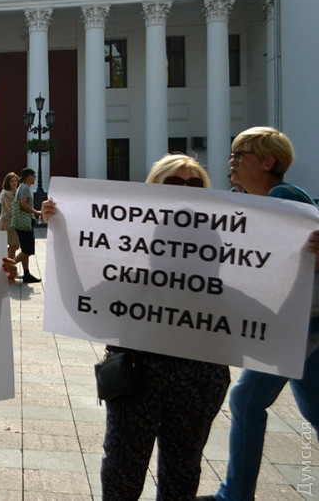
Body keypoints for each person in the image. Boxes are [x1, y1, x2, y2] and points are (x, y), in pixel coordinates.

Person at [43, 153, 231, 500]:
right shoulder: (129, 237)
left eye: (194, 185)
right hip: (137, 371)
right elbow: (85, 300)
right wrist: (62, 231)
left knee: (182, 470)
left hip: (199, 374)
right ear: (153, 189)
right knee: (122, 470)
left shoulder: (224, 236)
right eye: (174, 183)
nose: (185, 190)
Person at [197, 127, 319, 501]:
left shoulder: (282, 197)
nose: (231, 162)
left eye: (240, 154)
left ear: (268, 161)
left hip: (299, 324)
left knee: (246, 400)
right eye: (231, 154)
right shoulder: (255, 201)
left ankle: (234, 495)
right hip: (296, 326)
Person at [10, 167, 42, 283]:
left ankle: (27, 274)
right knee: (28, 250)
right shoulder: (25, 188)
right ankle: (9, 265)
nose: (35, 179)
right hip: (24, 223)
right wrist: (36, 212)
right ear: (29, 176)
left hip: (21, 223)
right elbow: (23, 205)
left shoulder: (20, 187)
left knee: (25, 250)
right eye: (34, 176)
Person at [0, 172, 20, 282]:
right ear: (7, 182)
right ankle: (8, 268)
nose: (15, 183)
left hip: (14, 222)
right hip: (8, 222)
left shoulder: (16, 192)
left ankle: (5, 264)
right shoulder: (6, 193)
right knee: (13, 245)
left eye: (16, 181)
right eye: (12, 181)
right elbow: (11, 209)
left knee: (14, 246)